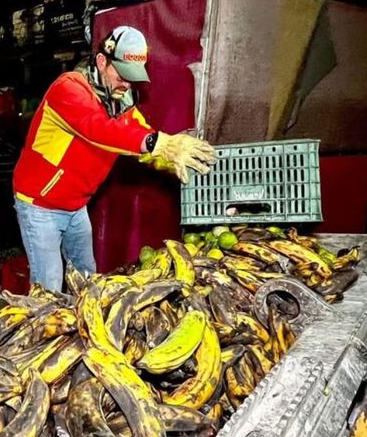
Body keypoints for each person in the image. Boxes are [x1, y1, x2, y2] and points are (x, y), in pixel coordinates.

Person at [12, 26, 217, 292]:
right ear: (101, 62)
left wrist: (170, 159)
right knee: (48, 289)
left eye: (133, 79)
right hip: (41, 205)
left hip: (76, 206)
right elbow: (100, 130)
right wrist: (160, 144)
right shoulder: (68, 89)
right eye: (122, 75)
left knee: (88, 281)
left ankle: (80, 330)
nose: (127, 84)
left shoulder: (121, 98)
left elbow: (137, 134)